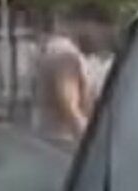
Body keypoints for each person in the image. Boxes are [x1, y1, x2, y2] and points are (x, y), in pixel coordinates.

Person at [33, 8, 113, 148]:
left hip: (54, 140)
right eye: (101, 32)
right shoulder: (66, 54)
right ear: (87, 25)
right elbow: (70, 109)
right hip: (64, 143)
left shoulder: (58, 50)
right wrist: (92, 146)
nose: (101, 39)